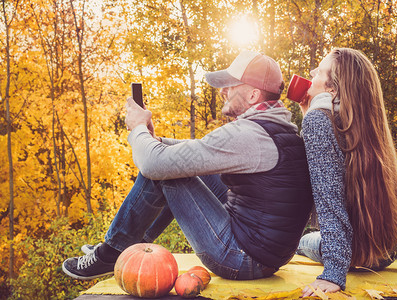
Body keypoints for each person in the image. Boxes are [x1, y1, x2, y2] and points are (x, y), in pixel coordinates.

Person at [62, 50, 313, 281]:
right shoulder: (277, 129)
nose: (223, 91)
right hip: (266, 252)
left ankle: (113, 251)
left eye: (230, 85)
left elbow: (153, 164)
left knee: (166, 171)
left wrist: (137, 128)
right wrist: (156, 141)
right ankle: (128, 245)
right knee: (169, 160)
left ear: (253, 95)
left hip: (243, 258)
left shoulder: (249, 135)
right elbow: (200, 149)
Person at [296, 48, 397, 297]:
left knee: (300, 243)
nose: (311, 73)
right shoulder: (367, 126)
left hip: (353, 254)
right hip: (386, 251)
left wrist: (333, 273)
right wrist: (307, 114)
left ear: (332, 90)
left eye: (319, 71)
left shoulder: (319, 122)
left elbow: (329, 201)